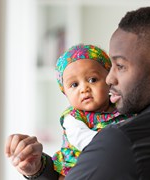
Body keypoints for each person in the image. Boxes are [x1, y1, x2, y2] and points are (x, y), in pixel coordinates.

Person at [5, 5, 150, 180]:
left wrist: (40, 173)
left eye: (120, 66)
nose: (110, 79)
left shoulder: (120, 141)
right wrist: (40, 169)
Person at [53, 44, 132, 178]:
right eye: (74, 85)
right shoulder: (73, 117)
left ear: (109, 80)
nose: (84, 88)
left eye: (92, 80)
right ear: (64, 92)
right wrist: (118, 144)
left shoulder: (121, 106)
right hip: (77, 169)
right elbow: (83, 140)